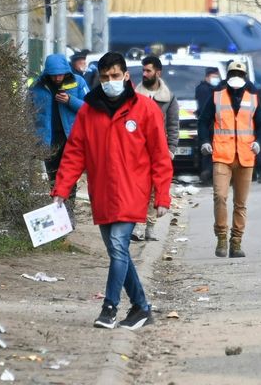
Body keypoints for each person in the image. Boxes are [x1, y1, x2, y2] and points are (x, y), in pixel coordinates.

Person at [51, 52, 173, 330]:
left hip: (133, 192)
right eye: (105, 77)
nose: (110, 81)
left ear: (126, 76)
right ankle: (141, 308)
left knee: (119, 246)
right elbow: (75, 153)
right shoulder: (88, 111)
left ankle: (109, 307)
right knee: (118, 253)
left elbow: (160, 156)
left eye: (115, 76)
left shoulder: (145, 109)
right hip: (102, 192)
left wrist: (162, 196)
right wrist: (62, 188)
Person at [198, 61, 261, 258]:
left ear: (245, 76)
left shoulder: (253, 98)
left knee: (240, 203)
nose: (236, 76)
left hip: (246, 156)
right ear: (227, 76)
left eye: (240, 73)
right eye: (233, 73)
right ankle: (221, 237)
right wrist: (204, 141)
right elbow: (203, 121)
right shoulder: (217, 96)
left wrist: (259, 142)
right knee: (220, 196)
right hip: (221, 154)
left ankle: (236, 242)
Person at [30, 53, 89, 227]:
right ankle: (60, 218)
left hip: (72, 140)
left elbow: (91, 109)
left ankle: (68, 217)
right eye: (53, 74)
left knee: (69, 178)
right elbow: (29, 114)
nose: (57, 78)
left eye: (60, 74)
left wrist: (71, 101)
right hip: (49, 141)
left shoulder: (78, 83)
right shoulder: (37, 87)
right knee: (54, 180)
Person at [132, 55, 179, 241]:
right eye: (143, 70)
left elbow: (173, 125)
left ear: (158, 73)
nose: (144, 74)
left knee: (154, 189)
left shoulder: (168, 97)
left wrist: (171, 149)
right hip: (137, 149)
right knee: (137, 187)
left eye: (148, 70)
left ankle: (149, 227)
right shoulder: (134, 96)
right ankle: (138, 225)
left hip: (159, 149)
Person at [195, 67, 221, 184]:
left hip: (210, 124)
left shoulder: (209, 88)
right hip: (208, 124)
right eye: (215, 76)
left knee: (209, 151)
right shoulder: (204, 89)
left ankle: (208, 175)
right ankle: (206, 176)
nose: (216, 79)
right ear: (208, 76)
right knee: (207, 152)